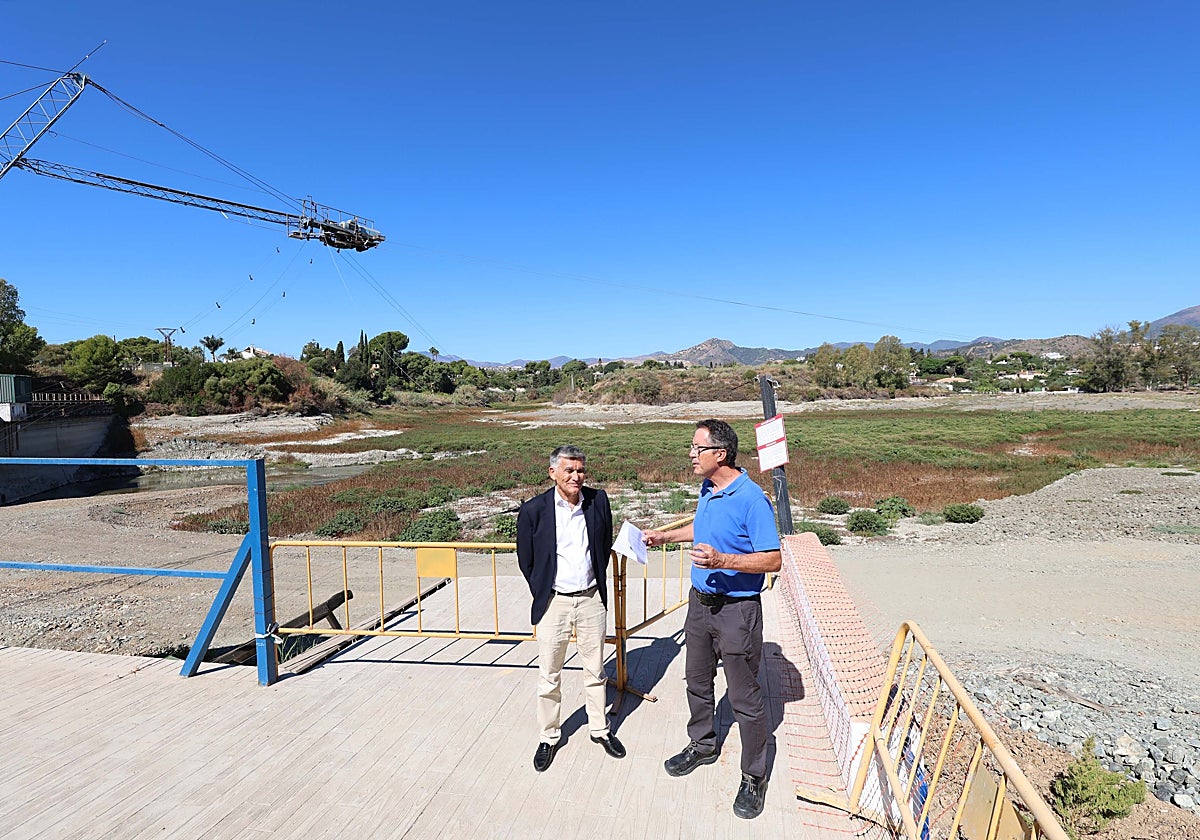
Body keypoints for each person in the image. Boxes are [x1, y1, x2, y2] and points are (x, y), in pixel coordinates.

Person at [643, 419, 781, 820]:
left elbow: (773, 559)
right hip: (700, 606)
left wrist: (724, 561)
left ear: (719, 454)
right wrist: (665, 537)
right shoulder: (709, 488)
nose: (690, 454)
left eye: (695, 448)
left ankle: (754, 775)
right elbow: (703, 528)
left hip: (737, 610)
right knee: (697, 682)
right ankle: (702, 744)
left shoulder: (752, 499)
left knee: (745, 698)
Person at [517, 444, 624, 772]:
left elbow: (604, 544)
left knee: (595, 670)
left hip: (591, 599)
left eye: (580, 470)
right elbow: (526, 559)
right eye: (569, 471)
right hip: (555, 602)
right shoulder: (534, 510)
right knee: (549, 674)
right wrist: (543, 590)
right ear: (553, 473)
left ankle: (599, 729)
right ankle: (549, 736)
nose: (576, 476)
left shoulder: (598, 501)